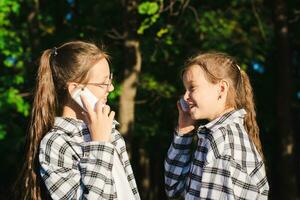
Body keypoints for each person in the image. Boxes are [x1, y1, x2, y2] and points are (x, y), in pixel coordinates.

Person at [21, 41, 140, 200]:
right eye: (103, 83)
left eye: (110, 79)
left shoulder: (111, 131)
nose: (111, 88)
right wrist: (99, 145)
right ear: (75, 90)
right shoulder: (57, 143)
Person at [165, 52, 269, 199]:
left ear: (221, 89)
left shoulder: (222, 141)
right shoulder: (213, 135)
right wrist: (184, 131)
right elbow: (173, 188)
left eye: (192, 88)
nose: (185, 97)